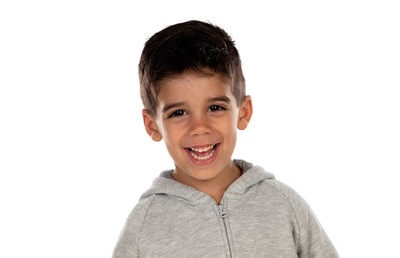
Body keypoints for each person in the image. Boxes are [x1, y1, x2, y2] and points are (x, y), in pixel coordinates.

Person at [113, 20, 338, 258]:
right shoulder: (144, 225)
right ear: (152, 125)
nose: (199, 128)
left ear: (243, 112)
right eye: (178, 113)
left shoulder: (283, 204)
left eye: (215, 107)